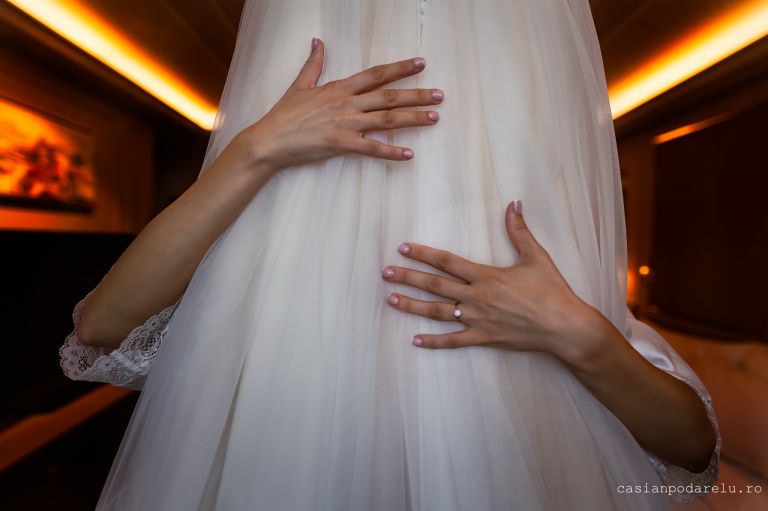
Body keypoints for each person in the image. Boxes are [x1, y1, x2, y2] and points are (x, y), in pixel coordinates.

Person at [59, 0, 720, 509]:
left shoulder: (522, 257)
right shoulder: (283, 257)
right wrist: (258, 148)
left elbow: (693, 446)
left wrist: (574, 332)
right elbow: (101, 328)